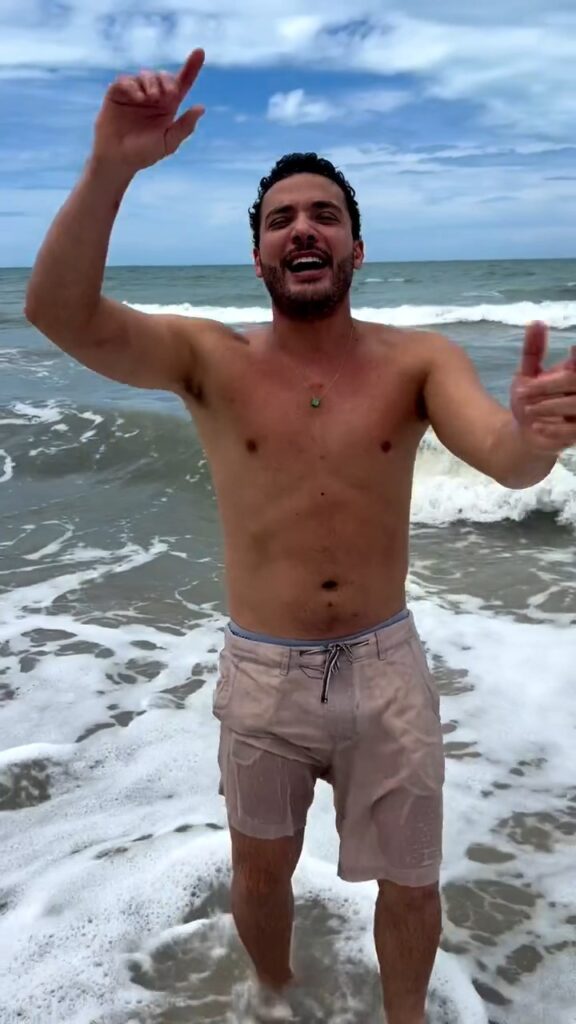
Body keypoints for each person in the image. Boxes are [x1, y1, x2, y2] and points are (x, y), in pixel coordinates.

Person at [25, 48, 576, 1024]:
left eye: (325, 214)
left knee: (413, 884)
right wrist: (110, 167)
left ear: (356, 248)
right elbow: (58, 312)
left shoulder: (420, 359)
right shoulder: (208, 358)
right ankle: (273, 996)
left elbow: (504, 458)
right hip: (264, 674)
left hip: (385, 668)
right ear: (259, 257)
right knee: (261, 874)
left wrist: (536, 439)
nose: (303, 228)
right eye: (281, 219)